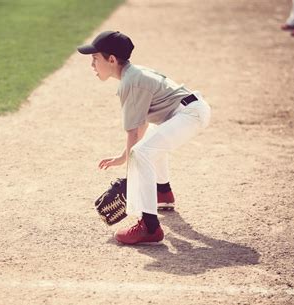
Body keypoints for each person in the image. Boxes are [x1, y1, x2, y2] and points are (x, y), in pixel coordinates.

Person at [77, 31, 211, 245]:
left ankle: (149, 226)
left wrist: (132, 177)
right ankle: (163, 192)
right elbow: (141, 125)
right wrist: (123, 157)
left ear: (111, 59)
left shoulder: (130, 82)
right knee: (149, 143)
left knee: (142, 153)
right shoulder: (134, 74)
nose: (92, 64)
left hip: (189, 115)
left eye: (95, 59)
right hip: (189, 111)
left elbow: (133, 134)